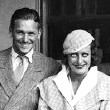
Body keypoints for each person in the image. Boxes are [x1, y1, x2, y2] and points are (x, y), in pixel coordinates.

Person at [0, 7, 61, 110]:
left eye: (31, 33)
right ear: (11, 31)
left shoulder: (52, 67)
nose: (25, 39)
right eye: (20, 32)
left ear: (39, 34)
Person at [38, 29, 110, 110]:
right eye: (74, 55)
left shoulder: (106, 84)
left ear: (92, 56)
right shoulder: (48, 86)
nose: (79, 61)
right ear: (66, 56)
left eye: (84, 55)